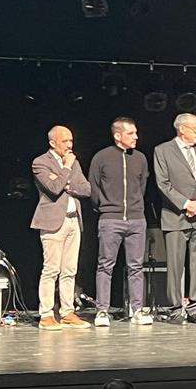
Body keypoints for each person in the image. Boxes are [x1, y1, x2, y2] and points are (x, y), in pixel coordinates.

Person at [154, 113, 196, 324]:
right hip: (175, 216)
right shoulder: (163, 150)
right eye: (195, 128)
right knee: (175, 264)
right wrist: (185, 204)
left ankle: (194, 307)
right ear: (182, 129)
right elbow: (163, 184)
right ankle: (174, 309)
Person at [89, 117, 151, 327]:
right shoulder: (102, 157)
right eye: (131, 133)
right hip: (110, 219)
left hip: (136, 219)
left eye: (135, 133)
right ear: (118, 136)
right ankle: (102, 311)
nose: (136, 137)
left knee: (136, 267)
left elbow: (141, 187)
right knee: (105, 266)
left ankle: (137, 310)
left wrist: (135, 208)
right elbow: (94, 188)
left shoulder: (140, 158)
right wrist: (106, 208)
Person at [31, 125, 91, 331]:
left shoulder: (73, 162)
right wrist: (66, 170)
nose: (69, 145)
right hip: (53, 222)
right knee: (51, 269)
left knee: (69, 270)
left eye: (71, 141)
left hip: (74, 221)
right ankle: (46, 314)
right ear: (52, 143)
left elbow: (86, 188)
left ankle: (67, 312)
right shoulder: (40, 163)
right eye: (65, 141)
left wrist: (66, 182)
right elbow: (54, 189)